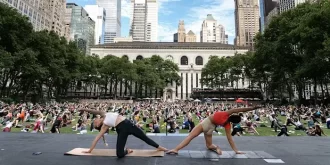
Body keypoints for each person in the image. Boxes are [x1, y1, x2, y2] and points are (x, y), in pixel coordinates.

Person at [167, 105, 261, 155]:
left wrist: (252, 108)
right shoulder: (227, 125)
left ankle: (176, 149)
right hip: (211, 128)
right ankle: (216, 147)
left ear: (233, 116)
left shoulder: (226, 113)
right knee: (209, 145)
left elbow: (241, 109)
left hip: (206, 123)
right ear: (233, 122)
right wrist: (236, 150)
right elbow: (230, 139)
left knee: (190, 136)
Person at [79, 109, 167, 158]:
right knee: (119, 154)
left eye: (94, 121)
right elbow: (97, 138)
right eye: (95, 123)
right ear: (98, 124)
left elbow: (93, 111)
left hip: (129, 124)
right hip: (121, 130)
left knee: (145, 138)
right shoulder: (104, 126)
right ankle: (127, 150)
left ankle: (160, 148)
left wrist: (83, 109)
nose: (95, 120)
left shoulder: (104, 114)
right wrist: (90, 150)